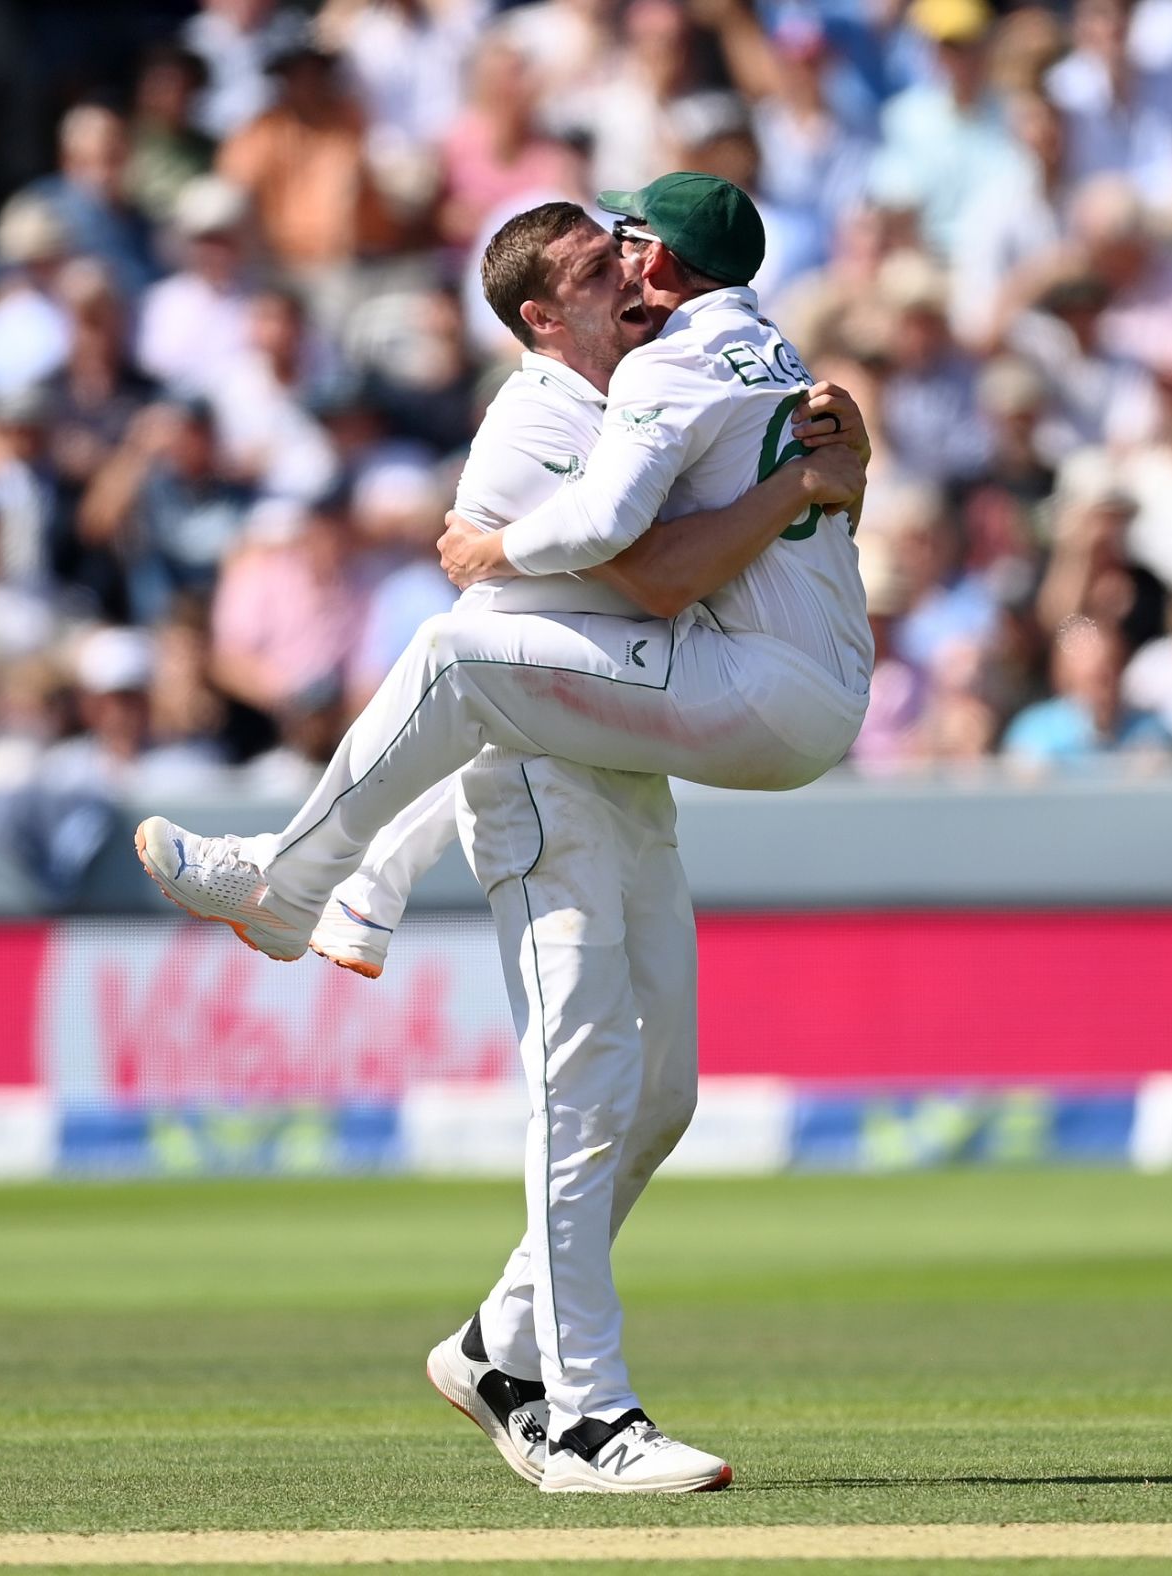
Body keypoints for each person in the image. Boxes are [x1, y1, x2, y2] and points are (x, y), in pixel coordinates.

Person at [136, 181, 869, 1489]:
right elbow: (642, 578)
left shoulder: (656, 378)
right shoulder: (532, 422)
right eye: (600, 270)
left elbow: (694, 567)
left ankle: (499, 1342)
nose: (627, 281)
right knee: (578, 1083)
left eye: (631, 255)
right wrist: (794, 484)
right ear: (545, 313)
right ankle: (588, 1417)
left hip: (615, 751)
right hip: (540, 781)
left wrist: (817, 477)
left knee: (662, 1096)